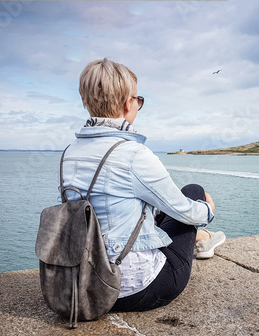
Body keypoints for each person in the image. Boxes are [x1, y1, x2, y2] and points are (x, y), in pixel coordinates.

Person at [61, 58, 226, 312]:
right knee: (192, 192)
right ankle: (202, 239)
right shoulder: (134, 155)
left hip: (83, 284)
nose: (138, 104)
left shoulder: (68, 153)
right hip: (133, 290)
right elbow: (182, 210)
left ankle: (202, 238)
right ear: (129, 103)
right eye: (138, 99)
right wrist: (207, 209)